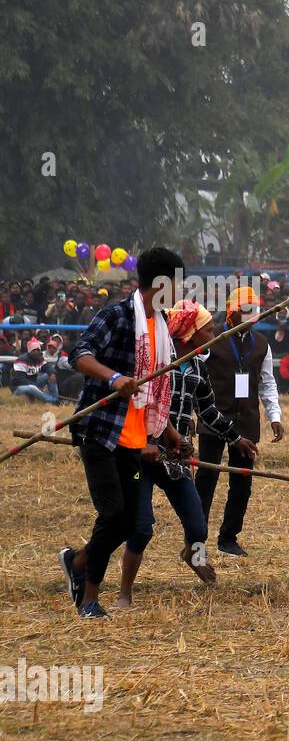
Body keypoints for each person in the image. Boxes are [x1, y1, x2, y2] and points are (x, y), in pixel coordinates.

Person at [59, 246, 185, 618]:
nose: (179, 291)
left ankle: (78, 561)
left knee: (129, 521)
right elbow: (79, 354)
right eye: (176, 283)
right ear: (160, 284)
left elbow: (154, 391)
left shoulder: (161, 326)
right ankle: (89, 599)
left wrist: (168, 431)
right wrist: (113, 377)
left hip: (135, 440)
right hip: (101, 432)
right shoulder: (116, 315)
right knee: (113, 515)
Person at [118, 302, 259, 605]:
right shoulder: (157, 361)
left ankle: (192, 555)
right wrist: (146, 441)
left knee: (197, 526)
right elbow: (138, 404)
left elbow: (207, 411)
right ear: (190, 332)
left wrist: (236, 439)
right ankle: (124, 592)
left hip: (175, 457)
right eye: (207, 329)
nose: (212, 335)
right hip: (142, 454)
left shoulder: (197, 367)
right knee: (141, 530)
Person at [195, 285, 284, 557]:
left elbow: (267, 382)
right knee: (206, 478)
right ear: (231, 312)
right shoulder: (211, 340)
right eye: (244, 311)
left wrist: (274, 416)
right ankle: (196, 538)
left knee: (242, 483)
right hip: (213, 418)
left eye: (252, 310)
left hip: (246, 421)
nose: (249, 315)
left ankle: (228, 538)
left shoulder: (262, 344)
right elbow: (194, 377)